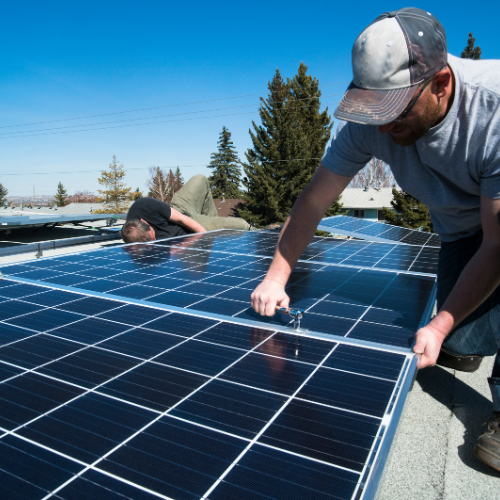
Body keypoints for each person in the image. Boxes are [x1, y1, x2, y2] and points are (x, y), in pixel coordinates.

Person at [250, 7, 500, 471]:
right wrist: (276, 277)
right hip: (461, 226)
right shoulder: (370, 123)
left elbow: (497, 245)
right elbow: (313, 201)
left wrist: (438, 326)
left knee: (454, 321)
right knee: (466, 338)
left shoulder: (494, 110)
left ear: (441, 83)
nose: (382, 128)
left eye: (395, 112)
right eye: (375, 111)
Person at [121, 174, 250, 242]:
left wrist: (208, 238)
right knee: (241, 225)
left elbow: (183, 219)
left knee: (200, 179)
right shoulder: (134, 241)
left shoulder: (145, 205)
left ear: (144, 222)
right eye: (151, 241)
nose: (155, 240)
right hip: (188, 234)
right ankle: (258, 229)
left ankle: (211, 222)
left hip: (184, 215)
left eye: (152, 236)